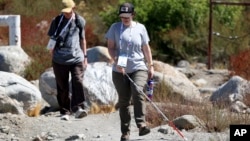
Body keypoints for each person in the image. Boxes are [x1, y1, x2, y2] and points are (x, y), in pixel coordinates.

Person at [105, 2, 154, 141]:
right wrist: (116, 61)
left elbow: (146, 47)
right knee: (124, 101)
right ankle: (125, 132)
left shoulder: (141, 28)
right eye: (122, 16)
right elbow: (110, 47)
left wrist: (151, 65)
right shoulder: (114, 28)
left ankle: (141, 124)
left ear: (133, 15)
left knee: (138, 90)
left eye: (127, 16)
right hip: (119, 70)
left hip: (138, 66)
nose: (125, 18)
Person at [47, 0, 88, 120]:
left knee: (78, 80)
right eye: (64, 12)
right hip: (59, 59)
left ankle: (79, 108)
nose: (66, 14)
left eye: (68, 11)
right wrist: (52, 53)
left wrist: (85, 57)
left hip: (76, 58)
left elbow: (82, 39)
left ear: (73, 8)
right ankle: (65, 111)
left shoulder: (79, 20)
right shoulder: (57, 21)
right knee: (62, 86)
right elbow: (52, 38)